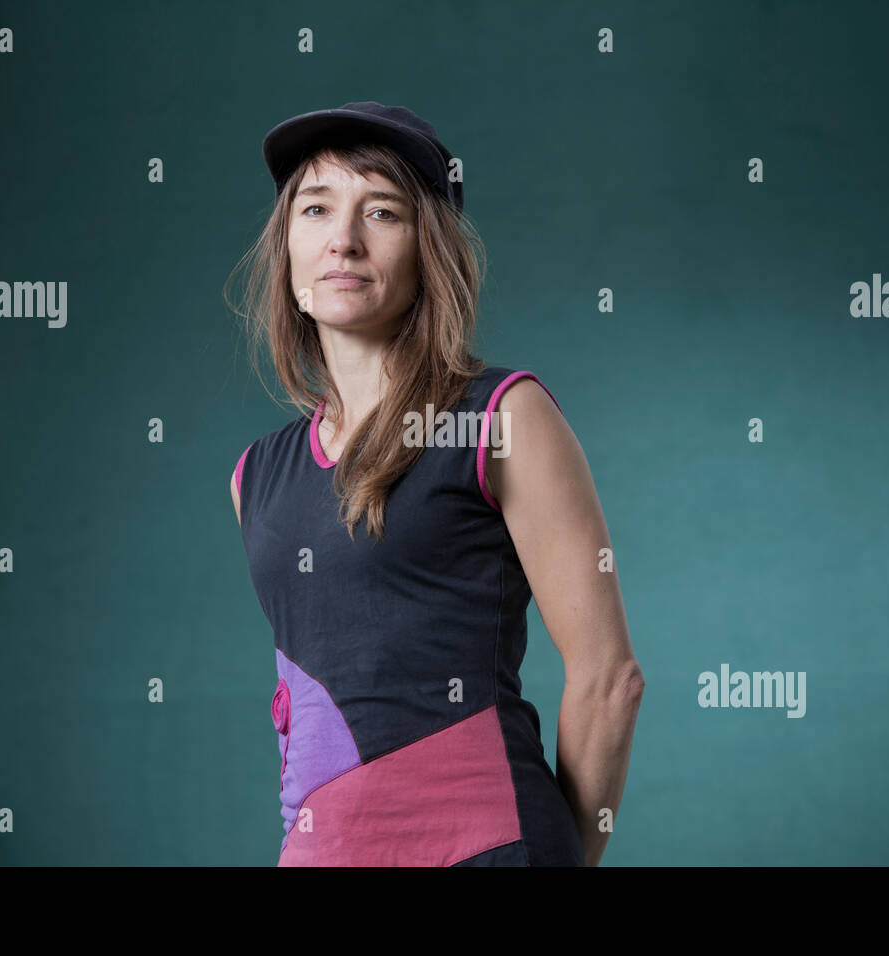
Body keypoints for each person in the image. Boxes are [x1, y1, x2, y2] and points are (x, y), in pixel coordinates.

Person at [225, 102, 642, 866]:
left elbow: (608, 678)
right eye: (316, 208)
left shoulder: (501, 417)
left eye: (381, 211)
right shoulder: (255, 477)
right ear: (288, 246)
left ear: (428, 251)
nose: (342, 239)